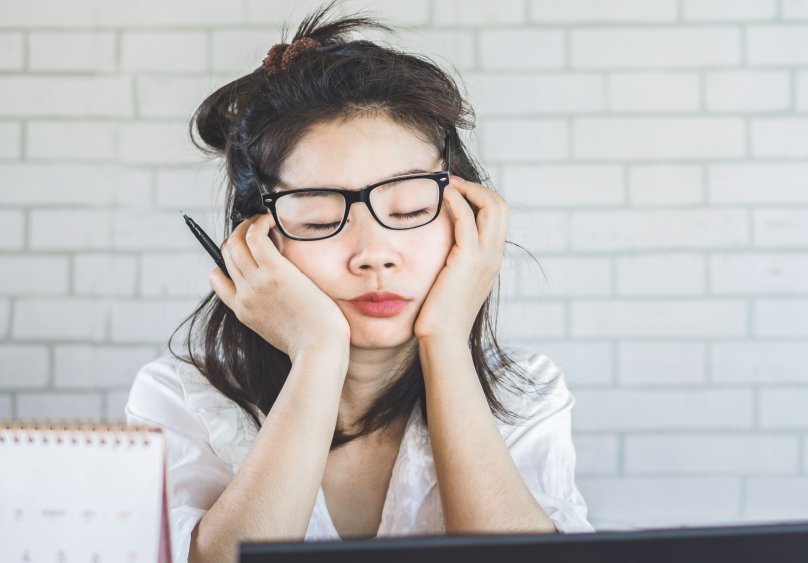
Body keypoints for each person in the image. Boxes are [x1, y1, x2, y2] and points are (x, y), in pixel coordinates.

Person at [123, 3, 593, 562]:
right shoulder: (179, 400)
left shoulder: (526, 394)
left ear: (469, 217)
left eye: (411, 206)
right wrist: (318, 353)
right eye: (320, 218)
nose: (374, 256)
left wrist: (445, 339)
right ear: (253, 243)